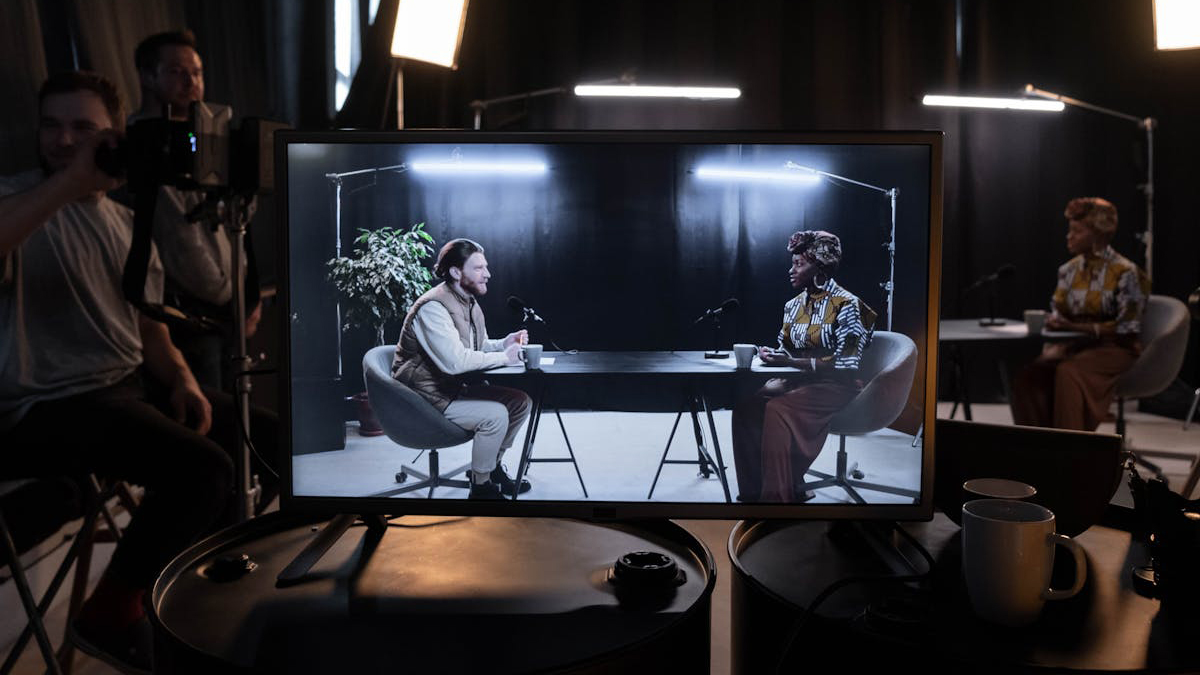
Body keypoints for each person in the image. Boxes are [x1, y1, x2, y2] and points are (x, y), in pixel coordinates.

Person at [0, 71, 273, 674]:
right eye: (52, 125)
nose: (65, 140)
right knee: (202, 469)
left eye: (82, 128)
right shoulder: (15, 198)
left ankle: (211, 589)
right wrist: (72, 183)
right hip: (43, 406)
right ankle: (111, 613)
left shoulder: (127, 221)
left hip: (125, 388)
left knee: (264, 438)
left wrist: (179, 377)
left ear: (114, 135)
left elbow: (149, 327)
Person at [130, 29, 261, 390]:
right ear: (147, 75)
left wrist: (248, 298)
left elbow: (239, 221)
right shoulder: (135, 147)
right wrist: (225, 298)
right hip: (181, 320)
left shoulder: (213, 141)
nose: (191, 82)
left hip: (230, 315)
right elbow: (177, 234)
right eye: (176, 71)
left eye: (197, 72)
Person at [731, 230, 877, 503]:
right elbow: (785, 348)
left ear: (820, 267)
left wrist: (790, 362)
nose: (791, 270)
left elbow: (846, 364)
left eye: (799, 264)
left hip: (838, 387)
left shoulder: (849, 306)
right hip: (799, 383)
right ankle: (754, 493)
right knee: (746, 408)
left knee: (778, 409)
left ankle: (778, 499)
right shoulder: (793, 305)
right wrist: (772, 356)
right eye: (793, 263)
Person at [391, 238, 533, 500]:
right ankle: (480, 488)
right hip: (422, 399)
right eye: (479, 268)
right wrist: (505, 357)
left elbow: (475, 346)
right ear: (456, 272)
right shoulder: (433, 307)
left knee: (520, 402)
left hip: (449, 389)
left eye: (485, 267)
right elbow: (455, 361)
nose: (487, 274)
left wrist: (504, 343)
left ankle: (490, 470)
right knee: (496, 416)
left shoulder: (468, 302)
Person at [1010, 197, 1150, 431]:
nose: (1069, 237)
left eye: (1077, 231)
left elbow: (1127, 328)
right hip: (1075, 345)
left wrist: (1075, 328)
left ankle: (1071, 450)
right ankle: (1037, 445)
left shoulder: (1126, 272)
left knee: (1070, 374)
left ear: (1097, 234)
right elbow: (1059, 308)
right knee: (1029, 377)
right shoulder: (1068, 270)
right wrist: (1054, 322)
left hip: (1115, 348)